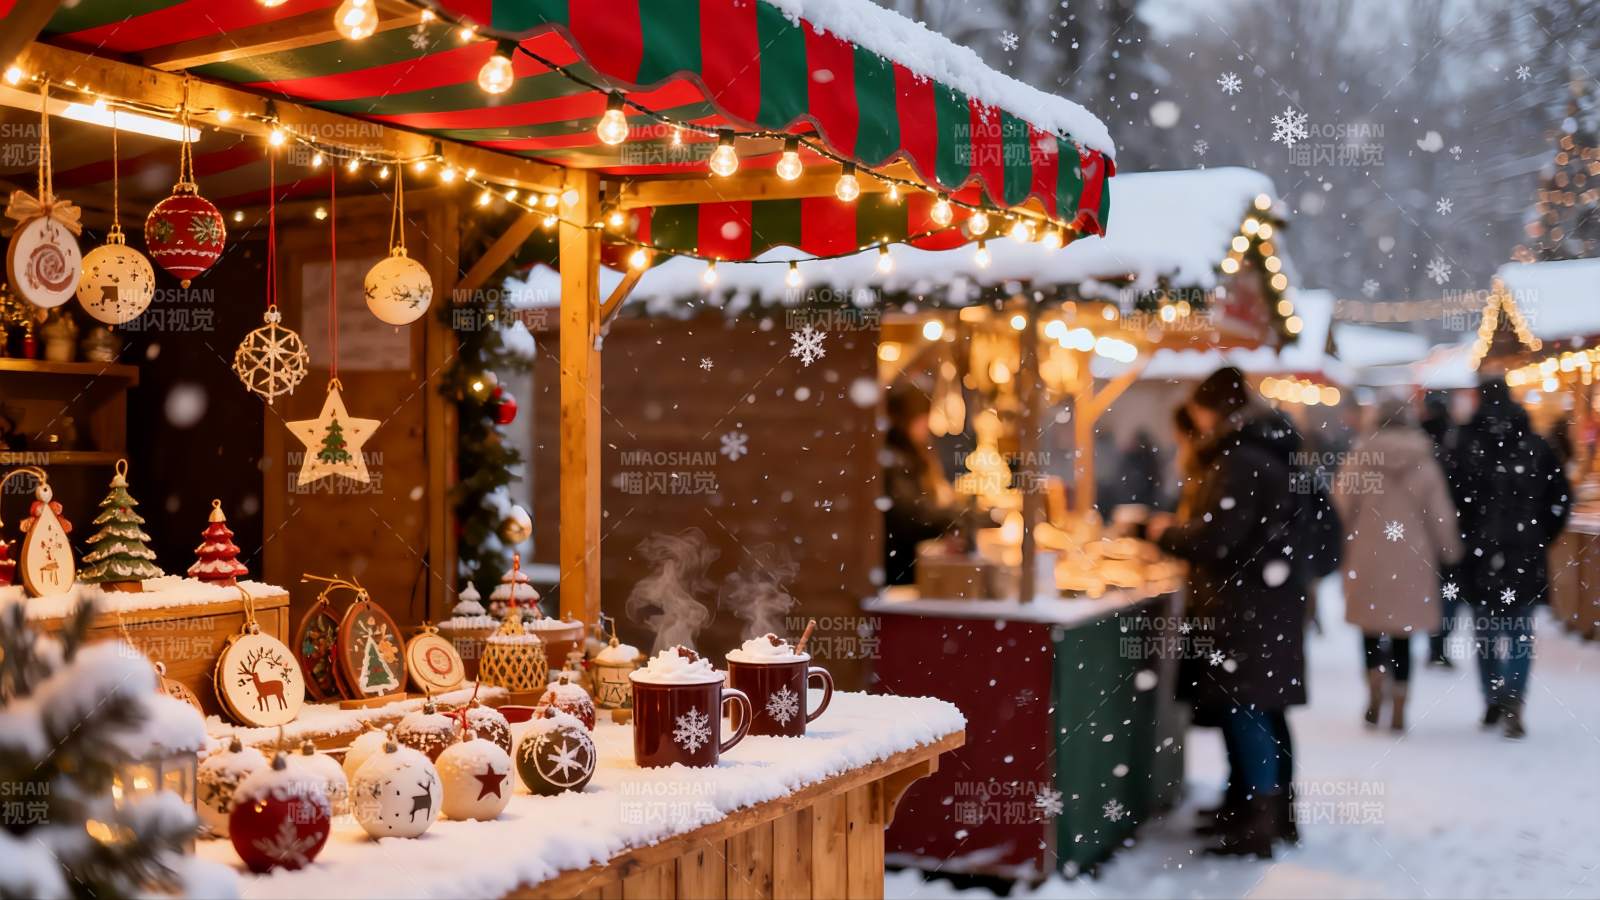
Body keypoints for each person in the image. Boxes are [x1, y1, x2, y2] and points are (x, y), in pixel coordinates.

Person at [1148, 367, 1308, 858]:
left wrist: (1162, 534)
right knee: (1262, 710)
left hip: (1246, 608)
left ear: (1211, 409)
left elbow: (1216, 538)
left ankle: (1256, 823)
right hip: (1267, 603)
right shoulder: (1265, 450)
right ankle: (1263, 811)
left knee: (1248, 709)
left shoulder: (1240, 459)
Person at [1449, 377, 1571, 739]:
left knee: (1486, 631)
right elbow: (1561, 497)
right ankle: (1514, 697)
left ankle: (1492, 697)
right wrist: (1541, 534)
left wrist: (1464, 535)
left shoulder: (1466, 443)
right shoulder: (1535, 444)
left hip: (1480, 552)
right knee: (1519, 630)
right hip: (1524, 551)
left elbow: (1452, 499)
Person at [1332, 397, 1461, 732]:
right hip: (1411, 560)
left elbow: (1340, 510)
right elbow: (1440, 515)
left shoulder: (1360, 461)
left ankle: (1374, 685)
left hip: (1366, 557)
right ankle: (1401, 701)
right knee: (1403, 634)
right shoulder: (1424, 463)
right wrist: (1450, 551)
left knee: (1370, 627)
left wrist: (1334, 549)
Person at [882, 383, 964, 586]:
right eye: (922, 418)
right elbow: (910, 515)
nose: (927, 425)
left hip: (907, 565)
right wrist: (953, 517)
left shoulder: (911, 453)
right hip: (899, 570)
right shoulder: (894, 458)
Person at [1420, 391, 1463, 667]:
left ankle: (1427, 640)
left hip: (1419, 528)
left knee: (1424, 587)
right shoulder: (1456, 439)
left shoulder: (1418, 439)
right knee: (1448, 589)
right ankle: (1439, 644)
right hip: (1450, 524)